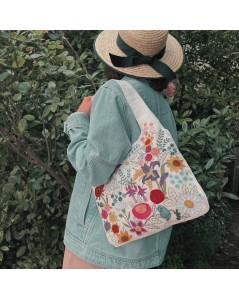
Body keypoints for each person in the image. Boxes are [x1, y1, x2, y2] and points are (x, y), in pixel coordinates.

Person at [62, 30, 184, 269]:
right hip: (144, 242)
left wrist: (78, 121)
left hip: (101, 245)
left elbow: (94, 169)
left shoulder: (114, 92)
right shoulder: (159, 103)